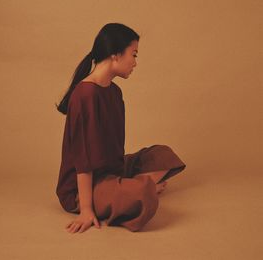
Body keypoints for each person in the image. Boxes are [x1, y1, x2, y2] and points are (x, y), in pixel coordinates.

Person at [55, 23, 186, 233]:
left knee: (165, 156)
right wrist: (86, 209)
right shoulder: (85, 96)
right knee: (143, 195)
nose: (135, 62)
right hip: (82, 187)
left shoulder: (114, 92)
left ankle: (129, 184)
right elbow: (83, 162)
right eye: (133, 55)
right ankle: (136, 187)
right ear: (115, 54)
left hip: (112, 169)